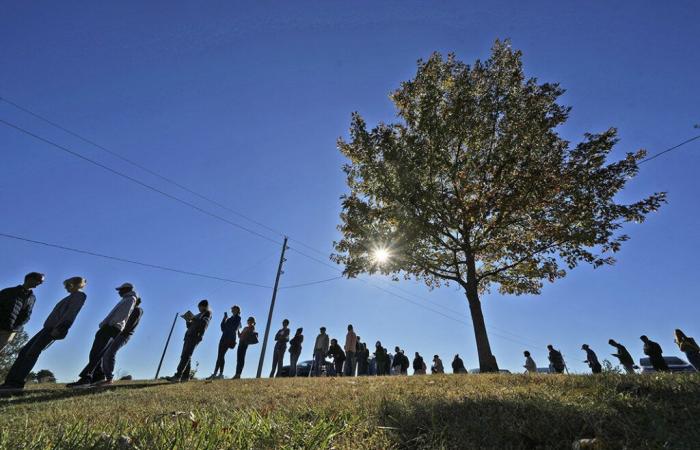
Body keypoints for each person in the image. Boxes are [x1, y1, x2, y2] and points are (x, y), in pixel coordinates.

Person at [0, 276, 85, 391]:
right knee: (25, 351)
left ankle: (16, 383)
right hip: (47, 328)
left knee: (31, 353)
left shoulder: (79, 296)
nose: (66, 288)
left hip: (54, 328)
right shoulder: (70, 296)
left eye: (68, 285)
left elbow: (71, 312)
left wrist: (62, 328)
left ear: (75, 284)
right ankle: (10, 382)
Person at [68, 282, 137, 388]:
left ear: (127, 289)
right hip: (110, 327)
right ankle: (98, 376)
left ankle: (86, 378)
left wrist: (109, 325)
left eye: (121, 290)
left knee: (96, 352)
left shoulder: (130, 299)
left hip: (111, 328)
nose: (119, 292)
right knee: (97, 353)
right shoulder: (126, 299)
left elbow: (123, 314)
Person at [93, 297, 143, 386]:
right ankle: (105, 377)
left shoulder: (137, 310)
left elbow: (130, 324)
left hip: (123, 335)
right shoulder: (129, 310)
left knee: (110, 352)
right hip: (117, 333)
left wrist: (120, 329)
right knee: (105, 353)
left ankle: (109, 378)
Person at [168, 299, 212, 382]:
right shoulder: (199, 314)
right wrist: (188, 320)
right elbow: (190, 326)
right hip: (189, 335)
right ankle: (185, 377)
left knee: (186, 355)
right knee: (185, 355)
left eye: (200, 307)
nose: (199, 309)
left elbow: (203, 324)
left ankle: (178, 376)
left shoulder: (207, 313)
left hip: (195, 336)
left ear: (204, 306)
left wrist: (193, 319)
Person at [0, 272, 44, 351]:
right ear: (30, 279)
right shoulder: (8, 291)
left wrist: (16, 328)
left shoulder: (32, 298)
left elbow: (27, 315)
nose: (39, 283)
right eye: (39, 280)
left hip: (9, 332)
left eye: (41, 282)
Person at [209, 305, 241, 380]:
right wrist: (224, 319)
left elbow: (234, 327)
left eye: (234, 309)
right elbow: (222, 328)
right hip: (223, 338)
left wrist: (227, 325)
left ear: (238, 310)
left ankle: (217, 373)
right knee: (220, 355)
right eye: (232, 309)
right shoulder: (229, 319)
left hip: (229, 339)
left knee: (221, 355)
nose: (233, 310)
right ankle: (219, 374)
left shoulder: (238, 318)